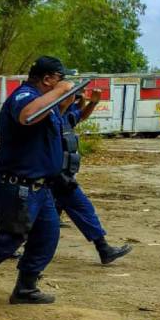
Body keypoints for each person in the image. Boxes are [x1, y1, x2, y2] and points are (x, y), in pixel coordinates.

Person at [0, 56, 73, 304]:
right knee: (9, 239)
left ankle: (26, 287)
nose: (63, 84)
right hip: (17, 185)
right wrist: (58, 92)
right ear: (47, 79)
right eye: (60, 79)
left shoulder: (45, 102)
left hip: (39, 186)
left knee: (47, 235)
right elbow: (27, 116)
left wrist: (63, 100)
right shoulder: (24, 97)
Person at [52, 89, 133, 264]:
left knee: (43, 218)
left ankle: (104, 249)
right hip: (56, 178)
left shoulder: (65, 116)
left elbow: (80, 115)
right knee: (83, 209)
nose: (75, 98)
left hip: (63, 177)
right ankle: (103, 248)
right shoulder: (50, 117)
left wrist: (92, 103)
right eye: (72, 95)